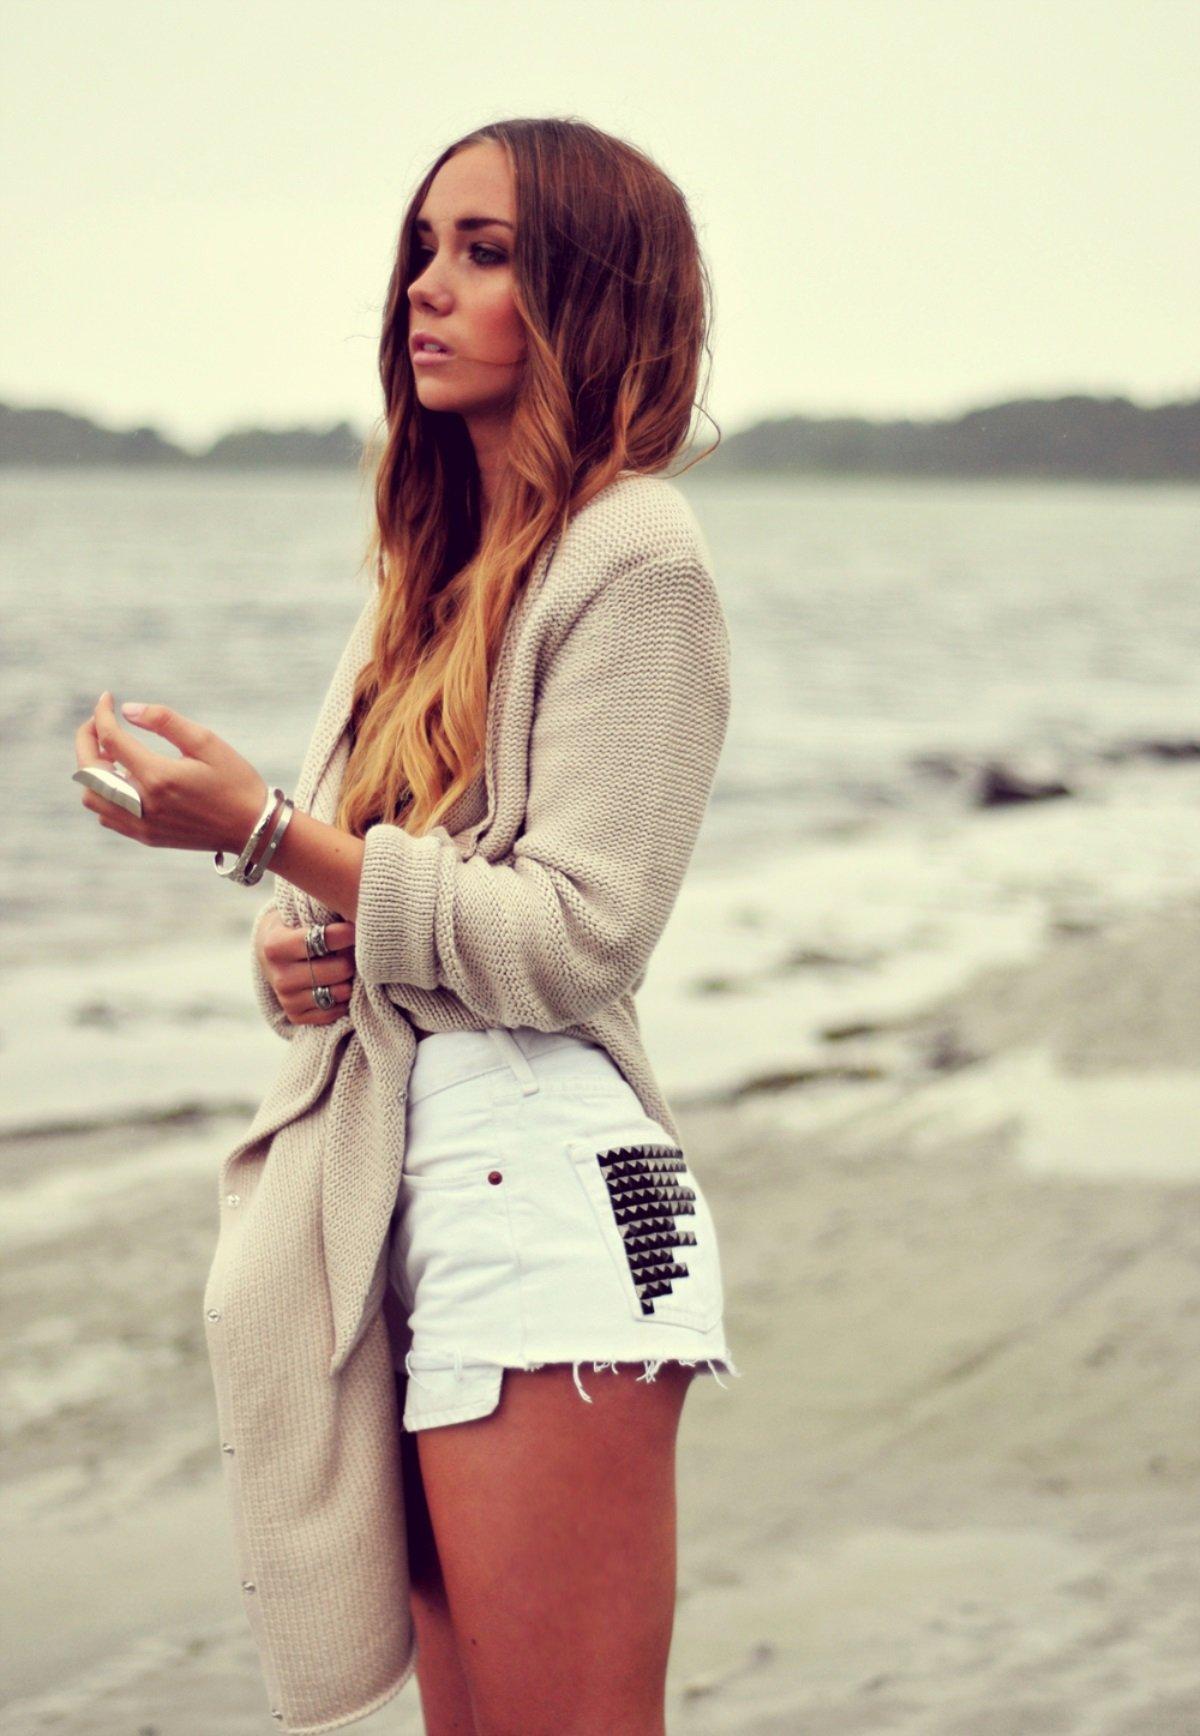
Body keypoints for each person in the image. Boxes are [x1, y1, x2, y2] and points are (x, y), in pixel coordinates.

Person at [77, 116, 737, 1735]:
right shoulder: (421, 580)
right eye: (425, 248)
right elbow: (372, 909)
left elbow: (576, 940)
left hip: (551, 1200)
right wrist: (289, 950)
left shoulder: (637, 556)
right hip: (405, 1199)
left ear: (589, 300)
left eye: (485, 254)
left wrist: (265, 834)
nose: (426, 287)